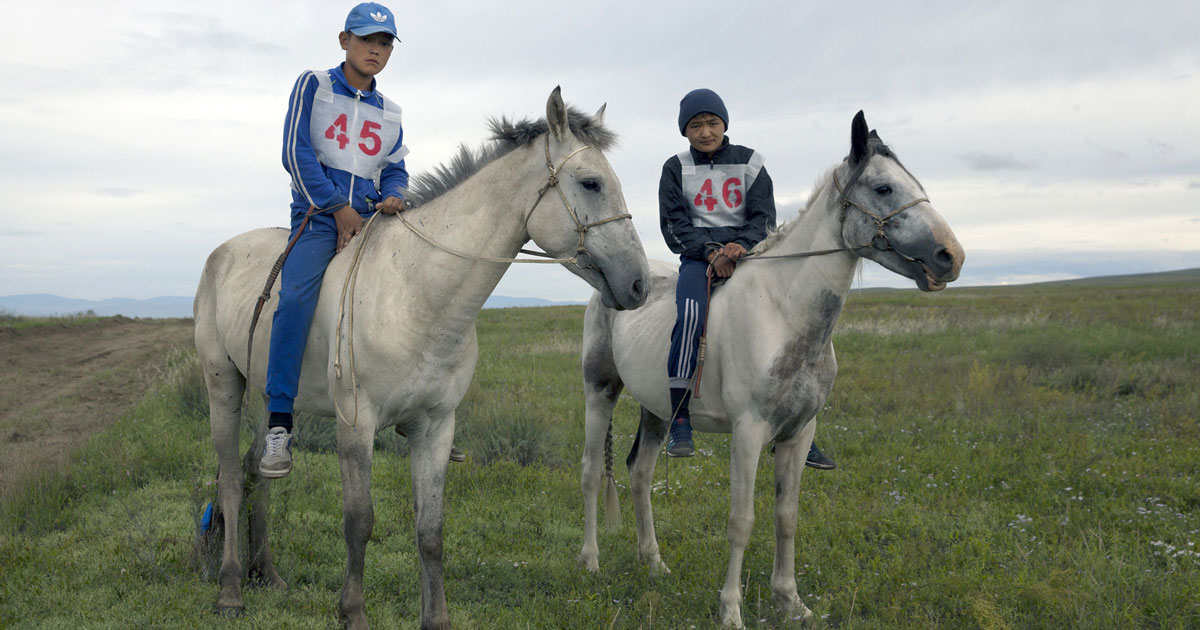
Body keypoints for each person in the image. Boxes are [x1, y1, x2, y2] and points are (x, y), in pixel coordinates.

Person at [259, 3, 409, 479]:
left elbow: (396, 168)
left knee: (412, 296)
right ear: (344, 40)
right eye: (367, 40)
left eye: (385, 44)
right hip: (318, 219)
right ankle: (279, 422)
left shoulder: (390, 111)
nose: (376, 50)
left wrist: (394, 196)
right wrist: (335, 207)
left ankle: (408, 405)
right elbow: (294, 151)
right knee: (296, 299)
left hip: (369, 222)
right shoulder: (314, 85)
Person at [658, 89, 837, 471]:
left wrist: (739, 245)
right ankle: (680, 418)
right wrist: (710, 253)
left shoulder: (751, 163)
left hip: (748, 258)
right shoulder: (674, 168)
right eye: (695, 126)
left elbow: (763, 217)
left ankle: (798, 425)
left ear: (724, 124)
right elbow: (673, 225)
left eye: (712, 123)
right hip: (698, 260)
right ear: (684, 131)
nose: (705, 132)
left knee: (786, 324)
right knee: (690, 315)